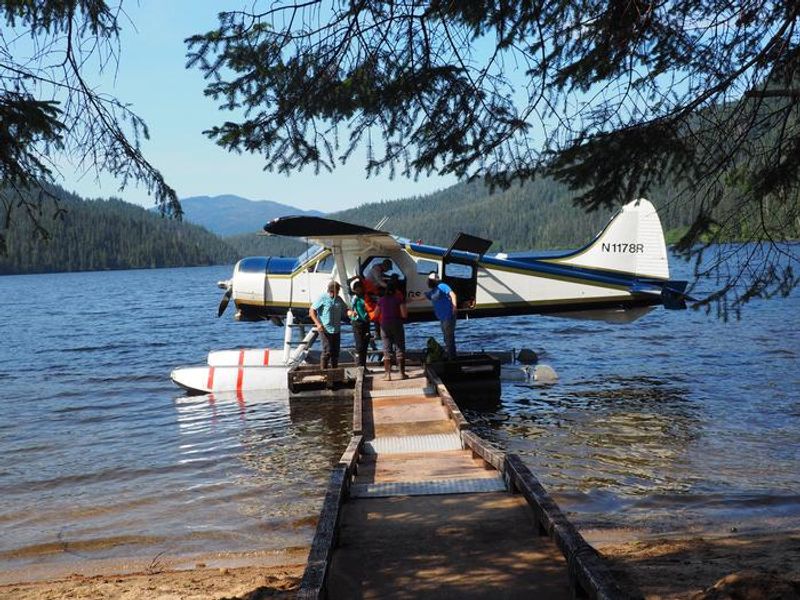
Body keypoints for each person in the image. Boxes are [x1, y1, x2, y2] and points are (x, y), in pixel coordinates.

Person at [373, 280, 408, 380]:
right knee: (399, 347)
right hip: (397, 324)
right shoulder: (398, 299)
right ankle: (401, 374)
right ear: (395, 290)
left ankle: (387, 375)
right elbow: (404, 314)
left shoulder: (381, 300)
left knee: (386, 349)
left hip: (385, 325)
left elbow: (375, 314)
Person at [309, 280, 347, 369]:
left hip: (336, 329)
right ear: (330, 291)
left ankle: (335, 371)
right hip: (325, 329)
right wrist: (318, 324)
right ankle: (324, 372)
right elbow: (312, 310)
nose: (336, 293)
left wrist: (350, 312)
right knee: (327, 351)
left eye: (337, 292)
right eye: (335, 291)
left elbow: (345, 309)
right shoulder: (322, 297)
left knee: (335, 352)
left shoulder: (339, 299)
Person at [425, 272, 457, 359]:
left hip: (448, 315)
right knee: (446, 336)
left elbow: (452, 294)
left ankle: (451, 357)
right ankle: (451, 355)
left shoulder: (442, 286)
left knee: (448, 337)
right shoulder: (433, 291)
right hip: (442, 317)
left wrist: (454, 306)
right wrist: (409, 300)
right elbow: (423, 296)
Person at [348, 280, 371, 368]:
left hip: (365, 323)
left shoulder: (365, 297)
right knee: (359, 345)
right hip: (357, 323)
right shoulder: (355, 298)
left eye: (360, 288)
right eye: (356, 289)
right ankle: (359, 366)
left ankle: (363, 366)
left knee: (365, 344)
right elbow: (355, 310)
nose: (358, 290)